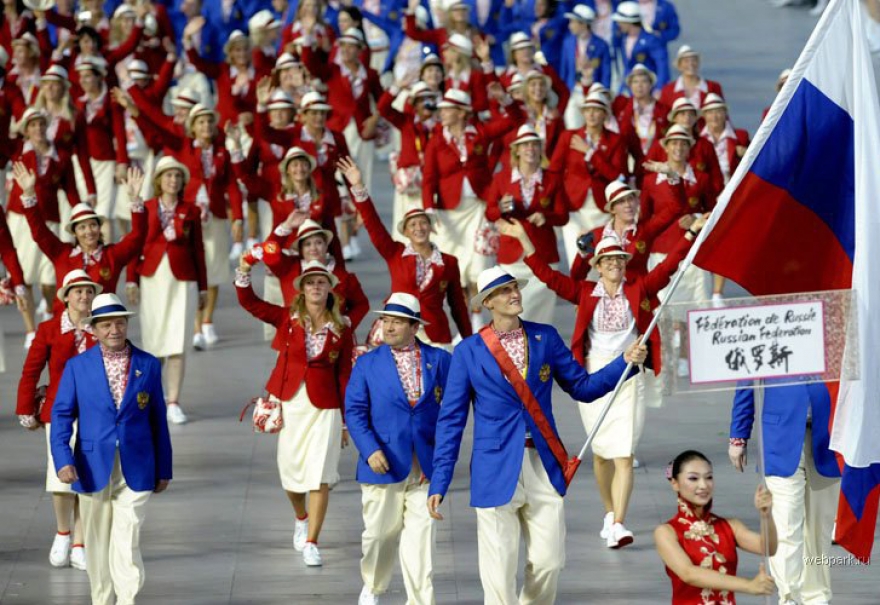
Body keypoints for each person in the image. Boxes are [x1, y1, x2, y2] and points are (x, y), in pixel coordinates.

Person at [427, 265, 648, 604]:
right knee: (498, 571)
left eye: (515, 287)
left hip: (543, 462)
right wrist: (440, 480)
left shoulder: (545, 337)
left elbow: (583, 387)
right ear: (487, 302)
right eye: (504, 290)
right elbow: (451, 420)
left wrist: (625, 362)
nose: (514, 294)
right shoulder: (468, 351)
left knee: (550, 562)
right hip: (493, 466)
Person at [504, 218, 705, 548]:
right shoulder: (583, 292)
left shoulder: (639, 288)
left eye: (619, 259)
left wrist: (692, 231)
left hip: (629, 374)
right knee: (600, 453)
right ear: (597, 265)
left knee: (624, 453)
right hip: (593, 377)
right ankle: (609, 514)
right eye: (607, 259)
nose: (614, 264)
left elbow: (670, 265)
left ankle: (620, 524)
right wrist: (524, 240)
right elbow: (548, 277)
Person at [51, 292, 173, 605]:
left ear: (127, 324)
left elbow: (158, 419)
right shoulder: (77, 367)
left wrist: (164, 468)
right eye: (106, 325)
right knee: (96, 542)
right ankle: (102, 600)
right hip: (92, 465)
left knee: (127, 537)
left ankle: (127, 599)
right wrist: (63, 460)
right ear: (93, 330)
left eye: (119, 323)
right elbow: (61, 415)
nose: (114, 330)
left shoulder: (148, 364)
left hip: (138, 464)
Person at [235, 258, 353, 567]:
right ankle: (301, 517)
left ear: (329, 288)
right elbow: (251, 303)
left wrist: (346, 422)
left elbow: (345, 376)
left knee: (320, 476)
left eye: (321, 282)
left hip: (326, 407)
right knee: (290, 473)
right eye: (310, 282)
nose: (316, 286)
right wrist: (244, 271)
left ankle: (313, 541)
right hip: (290, 404)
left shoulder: (342, 328)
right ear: (302, 289)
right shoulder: (287, 319)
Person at [345, 293, 453, 605]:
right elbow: (354, 411)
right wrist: (369, 450)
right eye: (386, 320)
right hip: (383, 463)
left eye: (397, 322)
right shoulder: (367, 363)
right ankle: (373, 585)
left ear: (415, 327)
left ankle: (419, 601)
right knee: (379, 536)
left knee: (422, 544)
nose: (389, 327)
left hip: (425, 467)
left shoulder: (440, 361)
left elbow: (454, 407)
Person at [16, 269, 101, 572]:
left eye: (89, 291)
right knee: (59, 475)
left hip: (95, 413)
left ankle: (80, 543)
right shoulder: (49, 329)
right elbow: (31, 371)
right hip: (59, 412)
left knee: (88, 476)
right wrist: (25, 409)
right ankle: (62, 533)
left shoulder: (101, 327)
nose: (84, 296)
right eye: (78, 291)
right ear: (66, 297)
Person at [340, 156, 472, 348]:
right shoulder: (395, 253)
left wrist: (469, 341)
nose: (419, 228)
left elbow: (458, 306)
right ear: (406, 232)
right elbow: (373, 223)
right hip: (397, 332)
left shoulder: (449, 262)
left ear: (431, 227)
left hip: (434, 335)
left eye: (423, 223)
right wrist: (359, 186)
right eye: (413, 225)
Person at [729, 381, 841, 604]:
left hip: (831, 437)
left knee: (820, 528)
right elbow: (747, 377)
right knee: (786, 525)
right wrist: (739, 435)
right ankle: (789, 597)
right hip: (780, 436)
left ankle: (817, 597)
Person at [128, 156, 208, 425]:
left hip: (183, 281)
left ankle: (173, 401)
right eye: (168, 175)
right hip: (152, 279)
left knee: (177, 342)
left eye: (177, 176)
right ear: (159, 180)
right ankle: (154, 398)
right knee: (154, 343)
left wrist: (203, 286)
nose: (173, 180)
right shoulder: (146, 207)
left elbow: (198, 250)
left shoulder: (191, 210)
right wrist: (131, 280)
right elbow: (134, 243)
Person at [15, 163, 146, 314]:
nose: (88, 231)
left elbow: (137, 237)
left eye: (93, 225)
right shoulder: (62, 254)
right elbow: (39, 233)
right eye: (82, 227)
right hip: (65, 323)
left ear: (99, 228)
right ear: (74, 233)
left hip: (101, 322)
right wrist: (29, 194)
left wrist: (135, 199)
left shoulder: (112, 255)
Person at [655, 450, 778, 604]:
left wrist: (766, 516)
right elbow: (688, 573)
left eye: (709, 477)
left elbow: (768, 547)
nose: (703, 485)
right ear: (675, 483)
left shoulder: (730, 526)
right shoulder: (666, 532)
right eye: (693, 478)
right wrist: (748, 585)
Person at [485, 125, 566, 325]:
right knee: (512, 312)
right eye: (525, 145)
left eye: (534, 144)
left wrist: (546, 217)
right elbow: (489, 212)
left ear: (540, 149)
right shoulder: (502, 178)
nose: (530, 148)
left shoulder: (552, 178)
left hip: (543, 254)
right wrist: (501, 208)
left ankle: (539, 345)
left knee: (543, 315)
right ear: (517, 150)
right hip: (512, 256)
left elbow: (563, 216)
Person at [611, 1, 669, 91]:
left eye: (621, 22)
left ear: (629, 22)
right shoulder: (623, 38)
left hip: (647, 88)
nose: (619, 25)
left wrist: (659, 88)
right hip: (628, 87)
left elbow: (662, 66)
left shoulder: (651, 40)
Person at [658, 45, 724, 112]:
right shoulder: (668, 90)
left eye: (694, 60)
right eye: (686, 61)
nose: (691, 64)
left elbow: (723, 113)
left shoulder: (713, 87)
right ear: (679, 66)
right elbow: (662, 115)